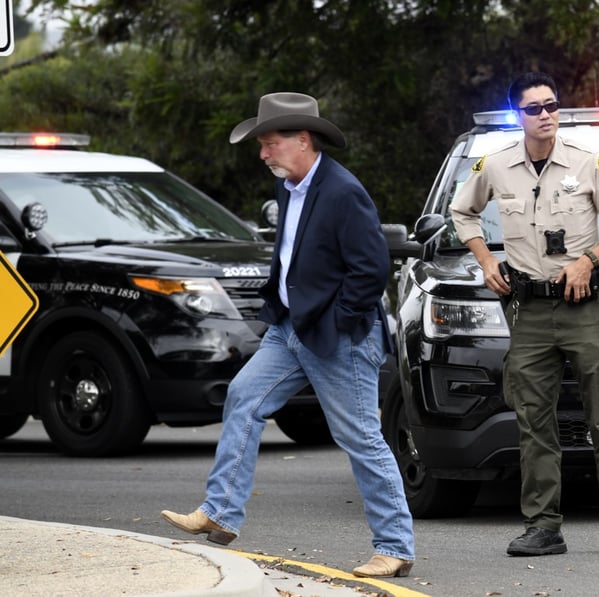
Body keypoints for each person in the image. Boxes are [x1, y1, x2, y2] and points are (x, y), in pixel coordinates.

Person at [160, 92, 415, 577]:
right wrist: (279, 311)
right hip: (290, 328)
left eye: (269, 143)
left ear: (302, 141)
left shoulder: (343, 191)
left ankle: (395, 547)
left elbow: (372, 269)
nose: (262, 154)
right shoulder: (289, 187)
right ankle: (220, 513)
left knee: (360, 438)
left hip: (340, 335)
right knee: (243, 397)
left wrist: (336, 320)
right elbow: (291, 259)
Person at [450, 72, 599, 556]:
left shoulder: (588, 163)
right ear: (518, 114)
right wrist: (486, 258)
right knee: (534, 422)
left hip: (585, 309)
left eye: (552, 106)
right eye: (534, 108)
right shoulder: (494, 166)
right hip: (530, 311)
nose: (545, 115)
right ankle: (543, 527)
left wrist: (588, 259)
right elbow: (462, 213)